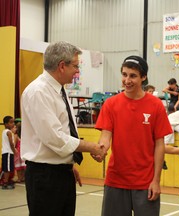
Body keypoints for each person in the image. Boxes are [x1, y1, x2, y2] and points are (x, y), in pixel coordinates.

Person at [21, 41, 105, 216]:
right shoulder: (39, 92)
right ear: (61, 66)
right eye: (75, 66)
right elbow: (54, 138)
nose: (77, 71)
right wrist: (90, 147)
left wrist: (68, 163)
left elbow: (64, 130)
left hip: (60, 171)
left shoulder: (59, 89)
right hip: (45, 176)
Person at [94, 55, 172, 216]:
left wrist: (156, 180)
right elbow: (105, 137)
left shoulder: (156, 105)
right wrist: (100, 150)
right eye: (124, 74)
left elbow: (159, 145)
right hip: (116, 181)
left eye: (133, 76)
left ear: (143, 77)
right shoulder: (110, 104)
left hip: (145, 183)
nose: (127, 80)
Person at [1, 116, 16, 190]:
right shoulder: (9, 132)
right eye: (11, 122)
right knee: (7, 169)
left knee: (6, 168)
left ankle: (5, 181)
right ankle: (5, 183)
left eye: (13, 122)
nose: (13, 124)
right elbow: (11, 143)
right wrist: (14, 151)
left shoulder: (4, 131)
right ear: (6, 124)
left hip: (5, 152)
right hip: (8, 152)